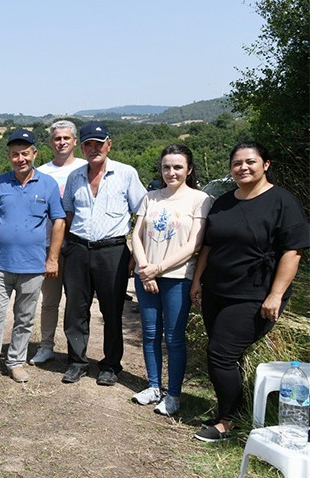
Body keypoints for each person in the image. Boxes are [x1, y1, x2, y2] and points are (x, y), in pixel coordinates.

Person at [191, 141, 308, 442]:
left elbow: (292, 252)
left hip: (255, 294)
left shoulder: (282, 202)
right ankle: (231, 409)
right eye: (237, 163)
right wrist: (197, 280)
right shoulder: (224, 202)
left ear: (265, 164)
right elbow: (209, 245)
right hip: (216, 290)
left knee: (220, 353)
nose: (243, 167)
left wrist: (276, 294)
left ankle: (229, 422)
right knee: (224, 355)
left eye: (250, 162)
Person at [0, 129, 65, 390]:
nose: (20, 159)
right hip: (0, 265)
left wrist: (53, 259)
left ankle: (15, 361)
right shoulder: (0, 182)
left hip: (33, 266)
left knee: (24, 319)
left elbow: (58, 221)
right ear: (9, 156)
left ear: (35, 153)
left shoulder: (47, 184)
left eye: (25, 153)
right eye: (15, 154)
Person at [61, 121, 147, 386]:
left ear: (109, 144)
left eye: (99, 144)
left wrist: (136, 251)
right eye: (88, 144)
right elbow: (67, 213)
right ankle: (77, 361)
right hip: (78, 248)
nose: (93, 149)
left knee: (112, 311)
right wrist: (65, 247)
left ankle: (110, 365)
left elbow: (142, 211)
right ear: (82, 147)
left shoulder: (126, 173)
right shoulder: (75, 176)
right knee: (76, 309)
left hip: (112, 251)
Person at [130, 145, 212, 415]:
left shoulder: (200, 199)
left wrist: (159, 268)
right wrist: (145, 269)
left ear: (189, 169)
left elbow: (194, 244)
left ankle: (173, 394)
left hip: (177, 278)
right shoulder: (151, 197)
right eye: (166, 167)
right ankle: (154, 386)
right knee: (150, 333)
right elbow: (136, 235)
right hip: (146, 275)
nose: (171, 172)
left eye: (178, 167)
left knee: (174, 337)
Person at [30, 120, 87, 365]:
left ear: (75, 141)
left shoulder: (87, 168)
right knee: (50, 301)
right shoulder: (41, 172)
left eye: (66, 138)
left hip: (79, 245)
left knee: (78, 303)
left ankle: (78, 352)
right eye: (57, 138)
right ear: (50, 142)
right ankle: (46, 346)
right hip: (48, 245)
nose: (61, 142)